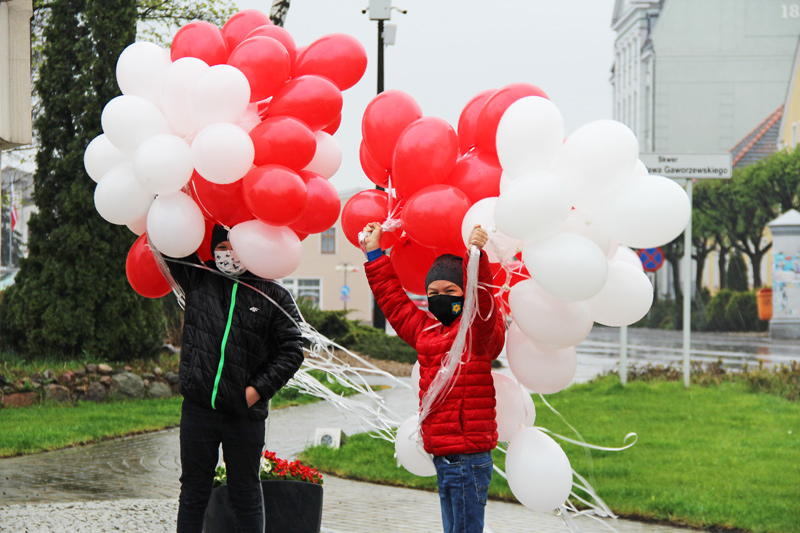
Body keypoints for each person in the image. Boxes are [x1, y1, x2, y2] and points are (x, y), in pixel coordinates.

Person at [361, 223, 506, 533]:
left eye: (450, 292)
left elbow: (482, 301)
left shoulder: (475, 332)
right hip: (442, 454)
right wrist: (374, 253)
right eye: (433, 294)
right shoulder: (427, 332)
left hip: (468, 457)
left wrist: (475, 258)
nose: (440, 298)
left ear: (464, 292)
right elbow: (394, 302)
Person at [167, 225, 304, 533]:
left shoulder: (272, 293)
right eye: (223, 247)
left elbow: (292, 351)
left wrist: (255, 392)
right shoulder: (198, 277)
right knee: (193, 492)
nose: (229, 253)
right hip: (199, 409)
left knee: (245, 494)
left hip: (245, 414)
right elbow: (169, 237)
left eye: (235, 245)